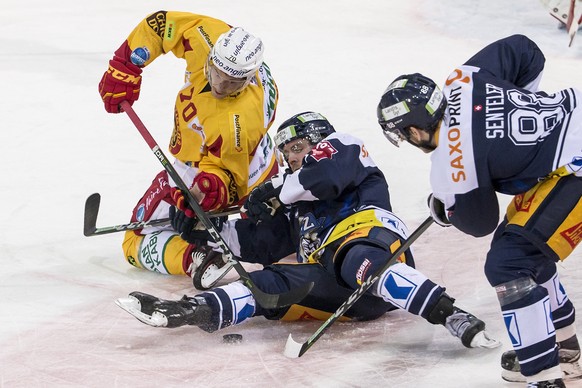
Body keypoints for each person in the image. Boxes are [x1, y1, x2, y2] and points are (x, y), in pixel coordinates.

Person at [115, 111, 500, 352]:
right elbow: (258, 242)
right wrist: (204, 229)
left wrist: (273, 192)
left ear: (318, 139)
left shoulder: (345, 147)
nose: (291, 158)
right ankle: (189, 311)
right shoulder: (293, 201)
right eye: (285, 154)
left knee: (355, 260)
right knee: (266, 283)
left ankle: (450, 314)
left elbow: (327, 176)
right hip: (346, 293)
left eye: (297, 146)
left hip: (368, 242)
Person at [376, 34, 582, 388]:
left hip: (576, 166)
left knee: (508, 262)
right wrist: (519, 108)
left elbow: (480, 222)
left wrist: (449, 207)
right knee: (523, 239)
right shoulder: (463, 78)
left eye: (403, 135)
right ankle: (563, 350)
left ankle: (546, 378)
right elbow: (524, 50)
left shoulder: (449, 168)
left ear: (413, 130)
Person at [97, 11, 279, 289]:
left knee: (134, 240)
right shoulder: (211, 37)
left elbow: (227, 179)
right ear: (213, 55)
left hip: (227, 167)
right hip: (265, 160)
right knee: (272, 238)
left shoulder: (238, 120)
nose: (219, 86)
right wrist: (126, 66)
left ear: (248, 77)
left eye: (232, 83)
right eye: (216, 74)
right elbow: (161, 25)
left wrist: (199, 193)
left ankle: (197, 254)